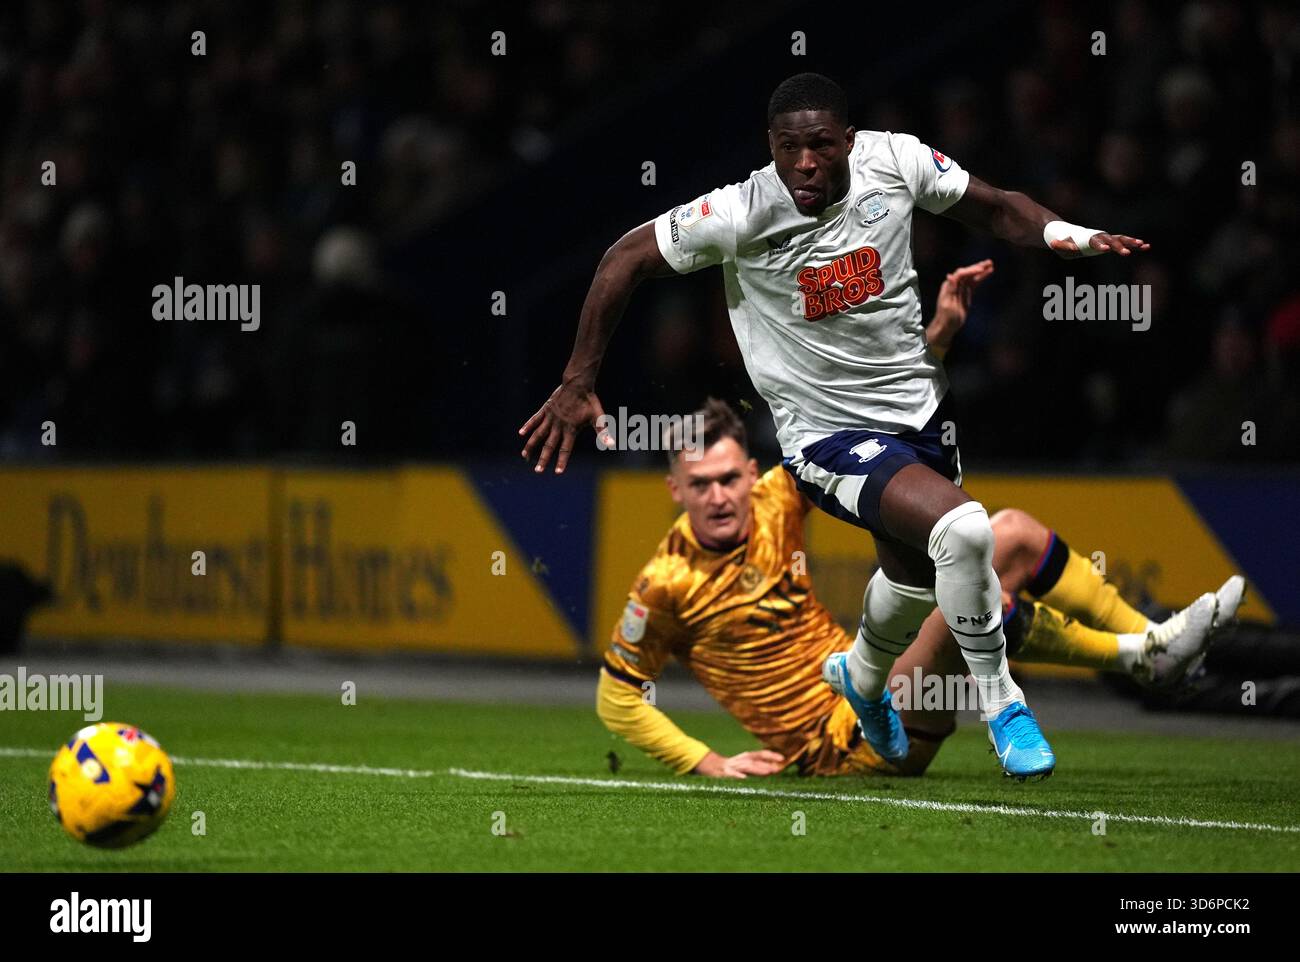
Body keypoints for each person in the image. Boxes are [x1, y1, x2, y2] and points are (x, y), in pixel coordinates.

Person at [522, 72, 1154, 778]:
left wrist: (1065, 233)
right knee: (968, 531)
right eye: (790, 148)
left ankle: (861, 671)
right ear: (771, 146)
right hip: (821, 435)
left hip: (918, 414)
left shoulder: (898, 162)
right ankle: (1005, 707)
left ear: (850, 141)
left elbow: (998, 208)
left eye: (821, 145)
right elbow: (624, 259)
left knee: (915, 584)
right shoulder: (740, 212)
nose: (806, 163)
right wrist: (579, 379)